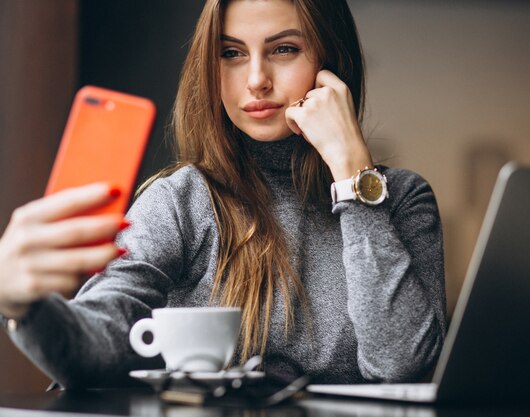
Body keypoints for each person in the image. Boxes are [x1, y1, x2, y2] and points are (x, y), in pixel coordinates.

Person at [0, 0, 446, 388]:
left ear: (333, 60)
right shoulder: (182, 200)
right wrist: (22, 307)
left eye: (284, 49)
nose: (256, 79)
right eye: (231, 53)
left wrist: (353, 176)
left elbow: (401, 365)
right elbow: (97, 345)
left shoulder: (401, 199)